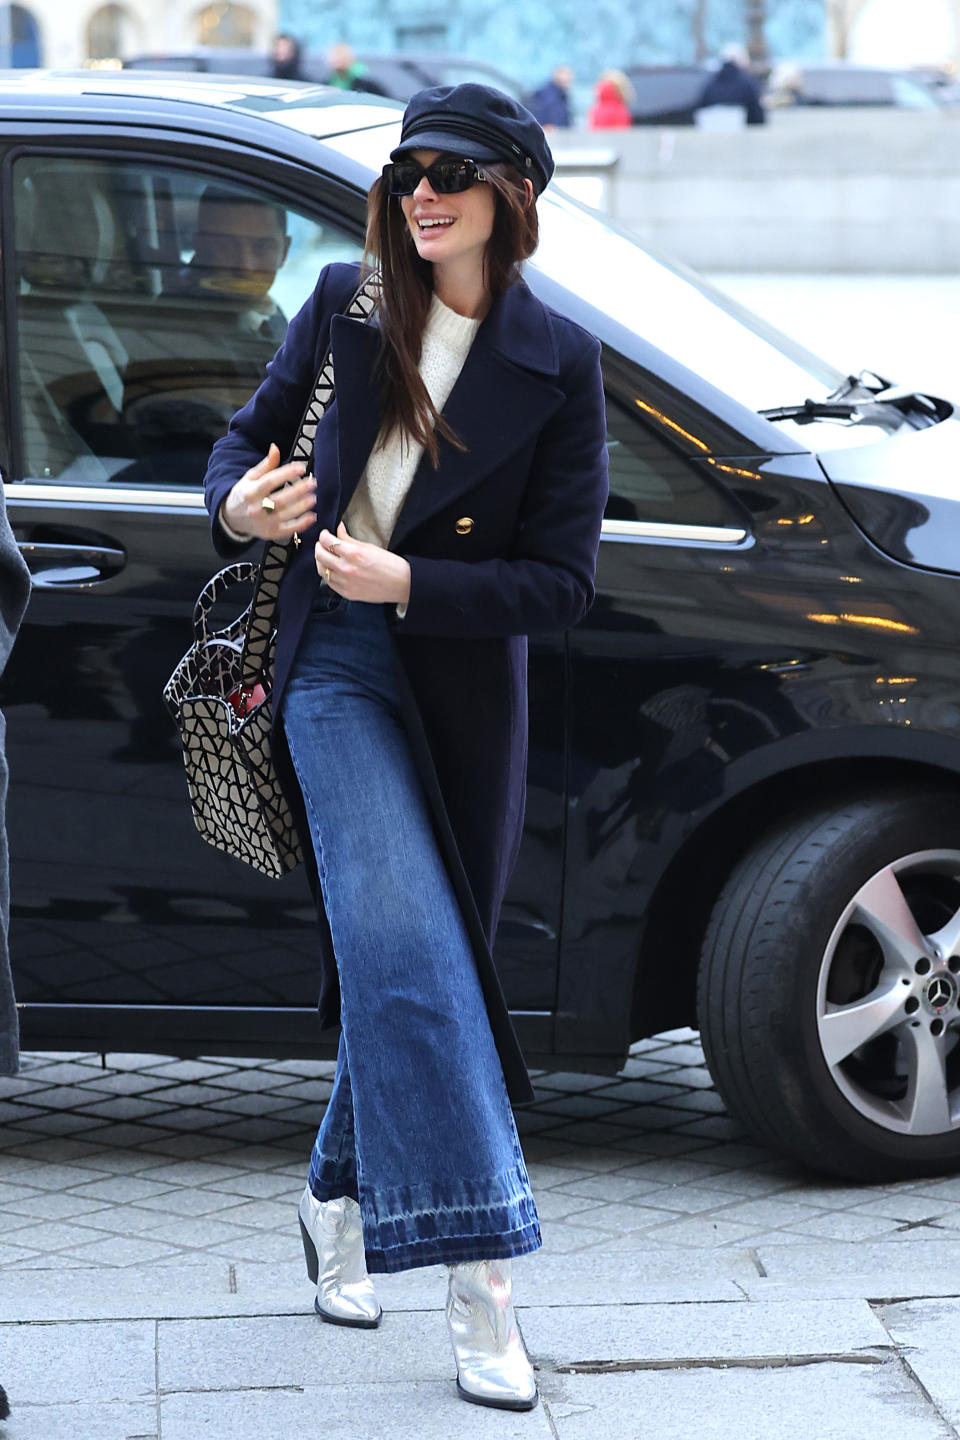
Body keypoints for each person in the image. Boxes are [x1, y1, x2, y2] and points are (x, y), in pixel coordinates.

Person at [202, 82, 608, 1411]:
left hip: (460, 699)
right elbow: (238, 447)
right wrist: (241, 505)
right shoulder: (344, 305)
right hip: (331, 669)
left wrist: (416, 587)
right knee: (409, 948)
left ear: (512, 196)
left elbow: (562, 586)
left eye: (453, 173)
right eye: (407, 173)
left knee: (409, 962)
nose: (422, 193)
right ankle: (485, 1277)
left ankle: (335, 1200)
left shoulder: (559, 363)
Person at [173, 185, 291, 344]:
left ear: (284, 251)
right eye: (227, 247)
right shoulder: (177, 328)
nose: (245, 267)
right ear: (200, 246)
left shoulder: (266, 311)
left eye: (261, 247)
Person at [695, 43, 766, 126]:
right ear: (740, 60)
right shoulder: (747, 84)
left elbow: (701, 108)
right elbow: (757, 115)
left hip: (712, 133)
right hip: (743, 135)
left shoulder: (710, 83)